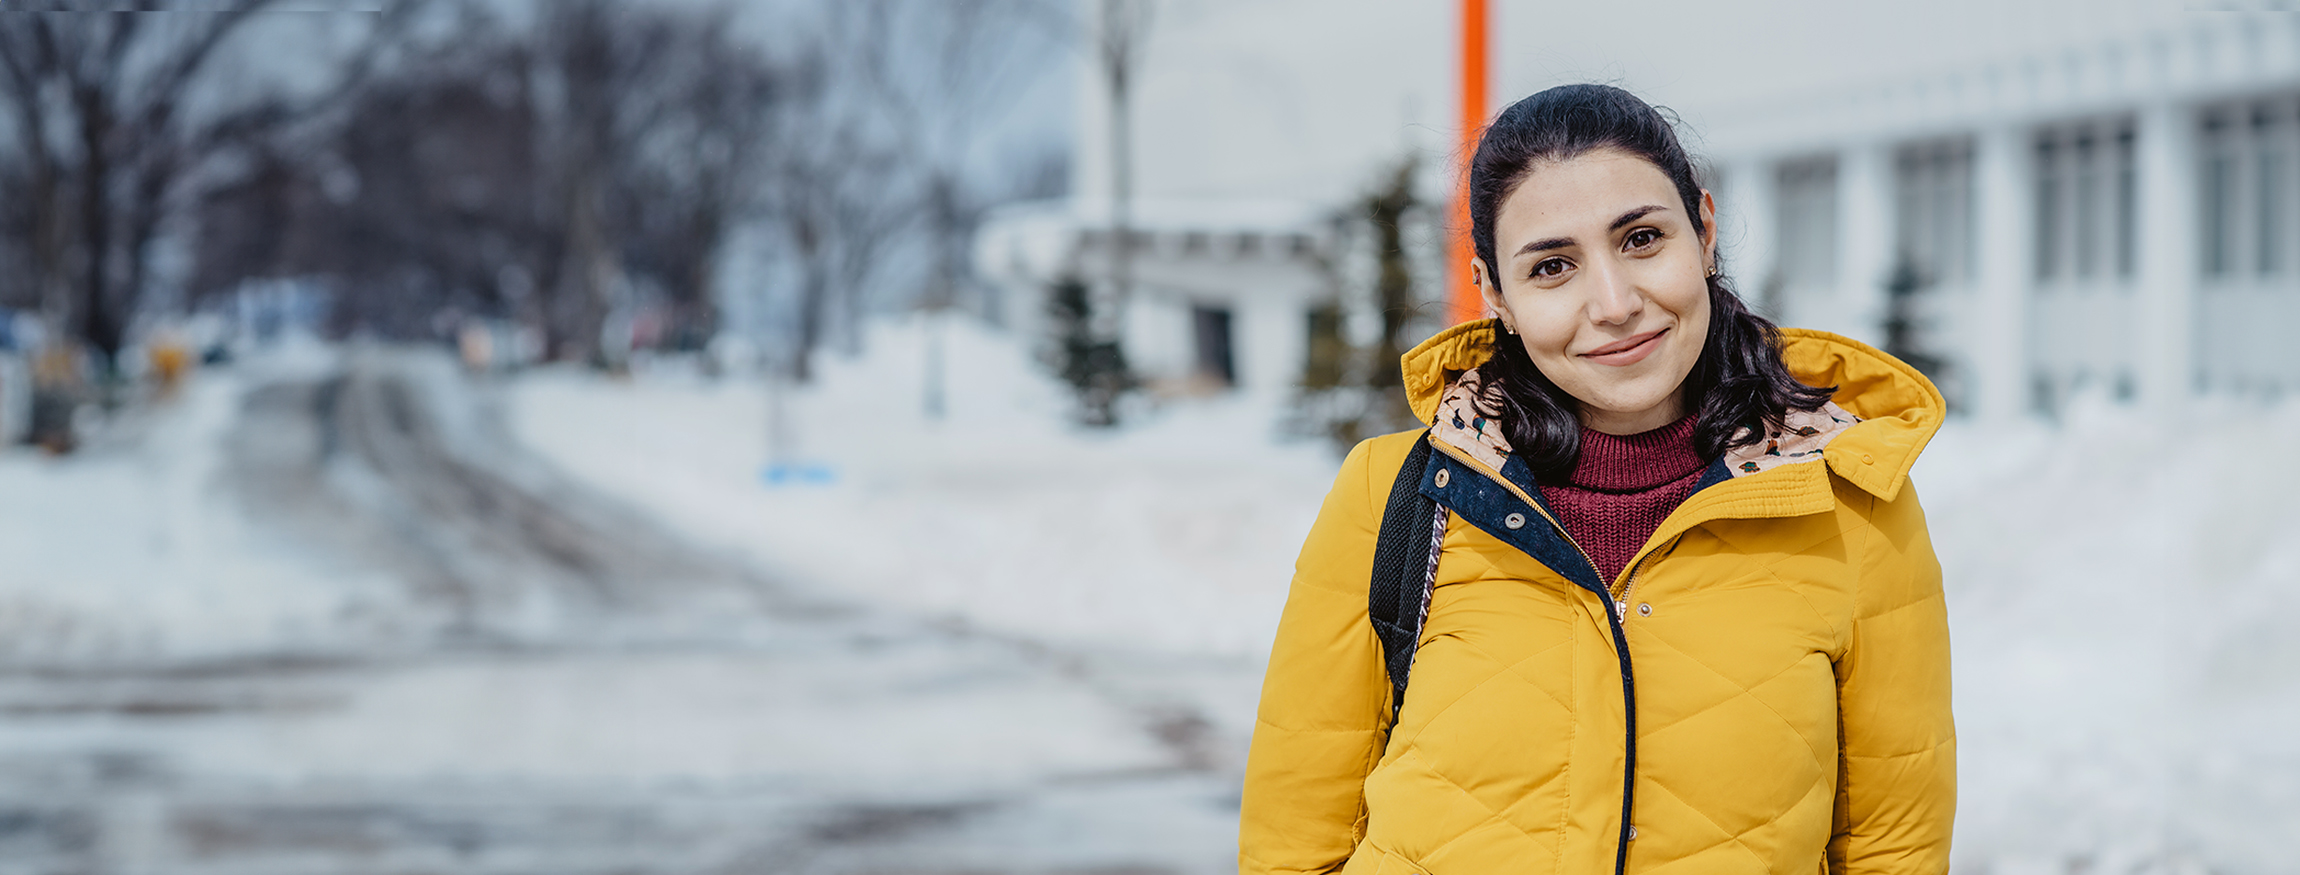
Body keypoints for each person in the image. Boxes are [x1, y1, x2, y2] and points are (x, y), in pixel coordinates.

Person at [1238, 84, 1953, 875]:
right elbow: (1293, 845)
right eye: (1552, 266)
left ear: (1705, 231)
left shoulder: (1851, 502)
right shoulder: (1394, 496)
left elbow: (1895, 849)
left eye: (1643, 238)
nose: (1614, 304)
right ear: (1497, 296)